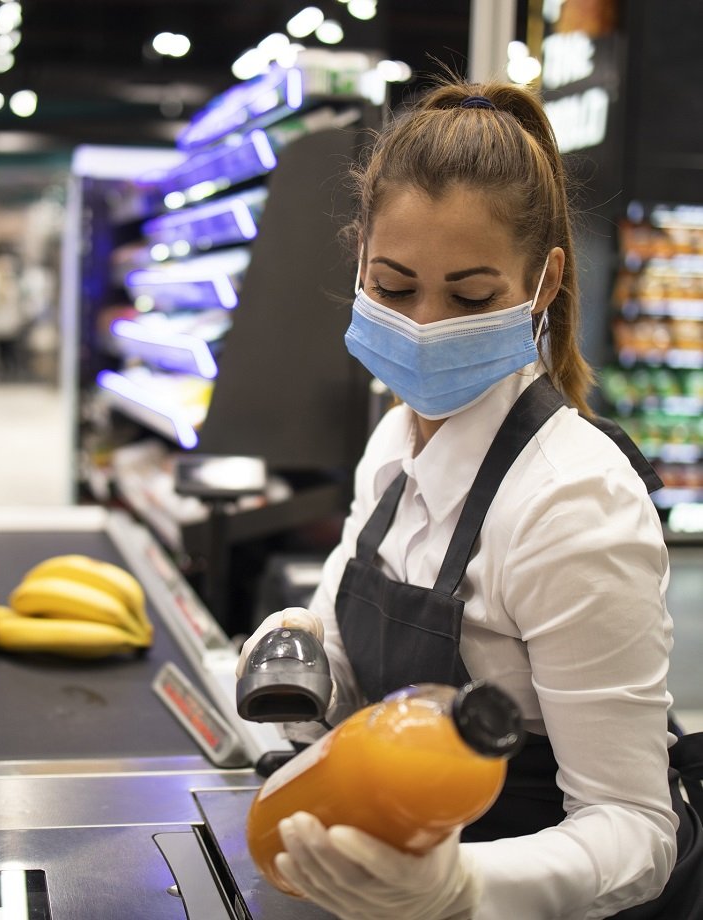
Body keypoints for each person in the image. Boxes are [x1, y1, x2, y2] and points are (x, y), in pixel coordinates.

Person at [236, 78, 703, 919]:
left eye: (471, 296)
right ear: (360, 263)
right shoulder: (393, 442)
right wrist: (303, 652)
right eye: (393, 285)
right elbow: (351, 671)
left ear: (545, 279)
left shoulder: (573, 506)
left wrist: (462, 889)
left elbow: (636, 829)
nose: (422, 325)